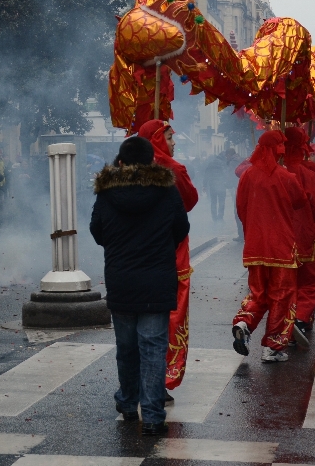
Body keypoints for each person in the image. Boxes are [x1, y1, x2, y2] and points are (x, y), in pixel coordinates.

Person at [89, 136, 189, 436]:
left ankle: (129, 403)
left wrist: (120, 247)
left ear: (120, 162)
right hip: (157, 280)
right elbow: (181, 229)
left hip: (122, 280)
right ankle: (154, 414)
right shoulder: (166, 191)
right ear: (151, 161)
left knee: (127, 347)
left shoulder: (107, 193)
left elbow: (97, 231)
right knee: (154, 348)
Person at [231, 130, 306, 363]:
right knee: (282, 296)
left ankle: (244, 322)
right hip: (281, 246)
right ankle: (273, 345)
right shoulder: (287, 177)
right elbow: (300, 201)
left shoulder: (247, 176)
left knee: (258, 292)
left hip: (255, 245)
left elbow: (240, 208)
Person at [138, 120, 197, 397]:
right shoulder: (173, 170)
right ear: (159, 139)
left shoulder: (125, 171)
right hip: (171, 254)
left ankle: (138, 380)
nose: (174, 143)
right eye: (170, 138)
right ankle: (164, 376)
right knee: (171, 314)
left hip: (134, 258)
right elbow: (190, 201)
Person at [284, 129, 315, 337]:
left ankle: (286, 323)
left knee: (286, 282)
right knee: (311, 280)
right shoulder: (308, 171)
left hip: (280, 236)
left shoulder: (272, 168)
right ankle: (300, 319)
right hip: (304, 232)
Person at [203, 149, 234, 222]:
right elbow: (225, 173)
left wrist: (204, 185)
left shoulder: (211, 163)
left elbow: (206, 174)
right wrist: (227, 183)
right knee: (221, 202)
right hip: (221, 185)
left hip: (212, 185)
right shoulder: (223, 163)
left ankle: (214, 218)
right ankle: (220, 217)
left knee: (213, 202)